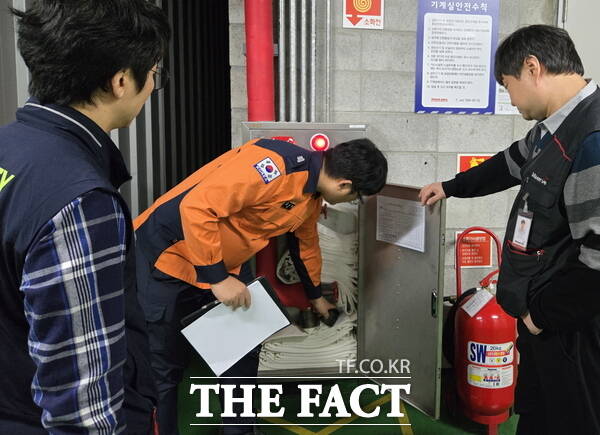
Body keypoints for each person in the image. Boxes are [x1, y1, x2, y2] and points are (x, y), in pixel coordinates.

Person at [134, 137, 388, 434]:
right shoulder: (272, 167)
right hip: (167, 258)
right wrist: (217, 278)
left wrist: (316, 296)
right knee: (163, 364)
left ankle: (239, 431)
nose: (350, 202)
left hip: (223, 265)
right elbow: (196, 208)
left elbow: (306, 246)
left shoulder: (311, 196)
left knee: (240, 355)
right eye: (355, 196)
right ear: (344, 185)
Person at [419, 25, 600, 435]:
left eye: (508, 85)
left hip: (570, 326)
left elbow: (599, 258)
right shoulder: (551, 130)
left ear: (532, 68)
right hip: (542, 319)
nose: (510, 98)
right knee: (538, 414)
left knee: (571, 421)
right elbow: (507, 164)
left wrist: (541, 316)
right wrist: (449, 187)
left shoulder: (592, 137)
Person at [0, 1, 170, 433]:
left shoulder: (12, 148)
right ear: (120, 81)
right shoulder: (80, 200)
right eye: (154, 75)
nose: (153, 86)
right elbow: (82, 404)